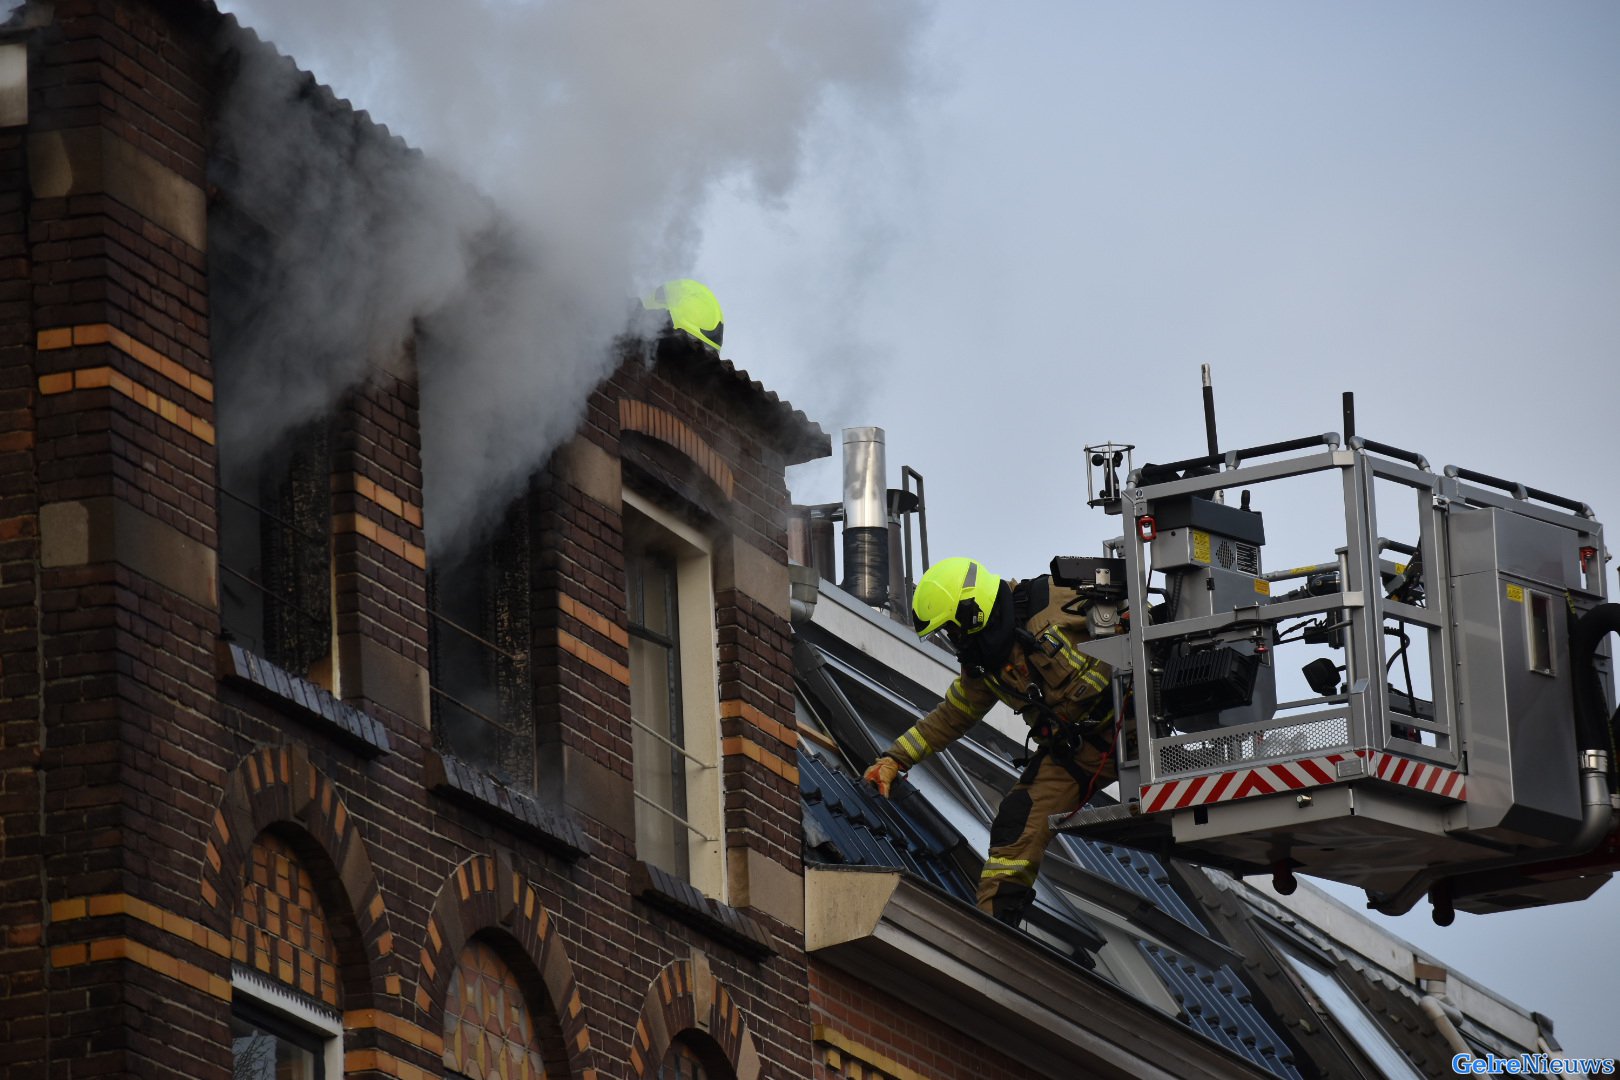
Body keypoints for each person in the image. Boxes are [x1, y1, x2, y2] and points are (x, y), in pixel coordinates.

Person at [864, 556, 1122, 927]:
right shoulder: (985, 667)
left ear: (973, 612)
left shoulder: (1057, 598)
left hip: (1136, 721)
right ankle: (996, 931)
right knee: (1015, 822)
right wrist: (894, 760)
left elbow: (1142, 620)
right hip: (1079, 754)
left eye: (954, 631)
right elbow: (950, 717)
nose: (956, 642)